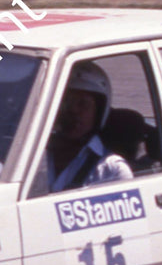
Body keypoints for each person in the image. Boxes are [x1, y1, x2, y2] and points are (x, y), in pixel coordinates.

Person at [46, 62, 134, 191]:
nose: (73, 111)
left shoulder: (111, 171)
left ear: (98, 112)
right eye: (67, 103)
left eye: (83, 104)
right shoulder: (33, 155)